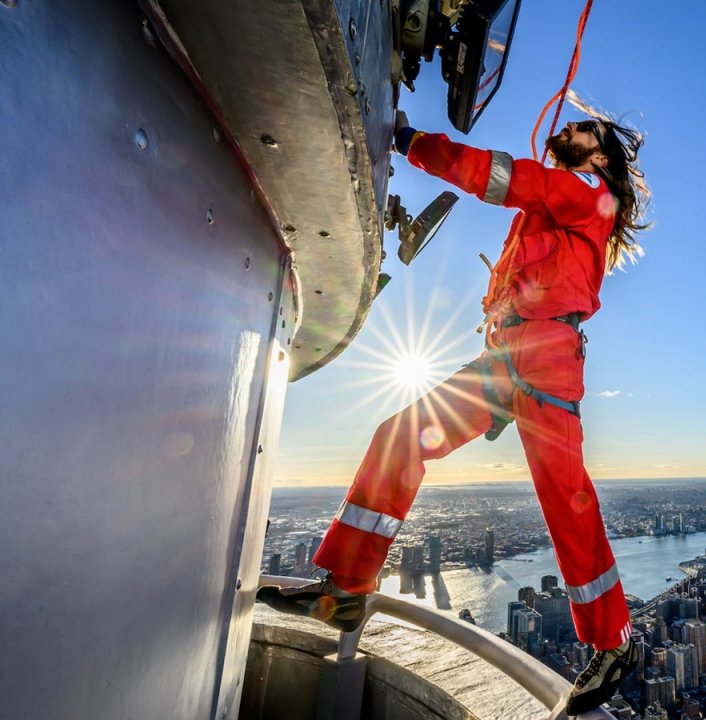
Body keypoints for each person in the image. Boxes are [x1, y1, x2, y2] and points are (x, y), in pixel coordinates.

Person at [258, 109, 649, 715]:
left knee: (565, 496)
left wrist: (414, 143)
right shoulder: (555, 209)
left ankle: (612, 641)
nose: (569, 130)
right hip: (508, 356)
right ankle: (349, 588)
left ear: (599, 159)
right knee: (401, 434)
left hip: (545, 357)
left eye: (583, 131)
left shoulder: (585, 192)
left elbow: (499, 176)